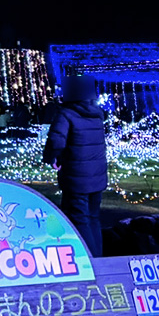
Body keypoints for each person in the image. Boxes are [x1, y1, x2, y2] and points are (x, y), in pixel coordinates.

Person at [42, 75, 107, 257]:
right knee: (93, 218)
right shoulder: (97, 116)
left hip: (77, 178)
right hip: (98, 177)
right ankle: (99, 258)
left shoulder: (66, 115)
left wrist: (50, 157)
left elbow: (56, 141)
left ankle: (90, 261)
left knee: (79, 220)